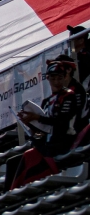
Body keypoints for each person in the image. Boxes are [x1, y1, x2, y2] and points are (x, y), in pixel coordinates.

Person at [10, 56, 89, 186]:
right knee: (13, 163)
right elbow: (44, 129)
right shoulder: (47, 101)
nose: (56, 82)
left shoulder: (69, 96)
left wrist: (37, 118)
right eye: (53, 78)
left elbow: (61, 123)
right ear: (48, 78)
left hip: (61, 144)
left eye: (59, 78)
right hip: (49, 144)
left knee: (28, 158)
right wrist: (29, 122)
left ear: (64, 77)